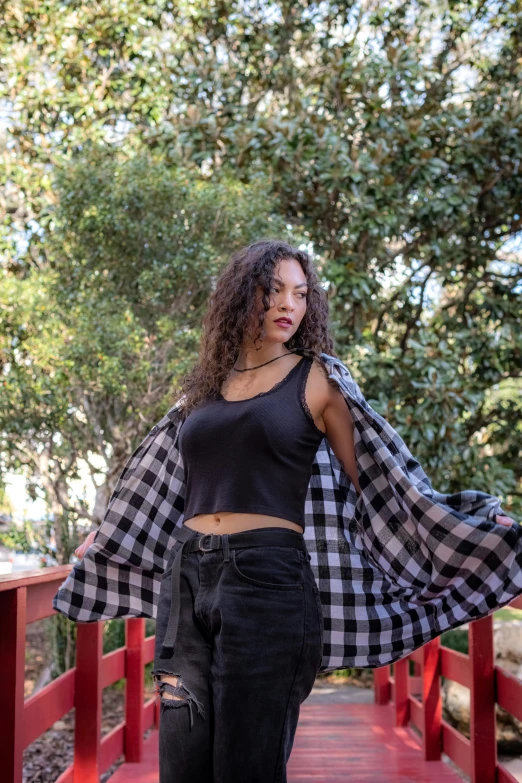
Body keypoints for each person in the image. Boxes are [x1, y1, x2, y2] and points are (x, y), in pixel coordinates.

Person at [64, 240, 518, 783]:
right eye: (273, 289)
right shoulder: (204, 388)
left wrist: (471, 523)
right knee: (182, 765)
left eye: (300, 293)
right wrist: (106, 536)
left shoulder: (316, 378)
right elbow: (155, 482)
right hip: (184, 580)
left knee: (247, 767)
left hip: (267, 583)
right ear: (240, 297)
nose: (288, 304)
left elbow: (385, 479)